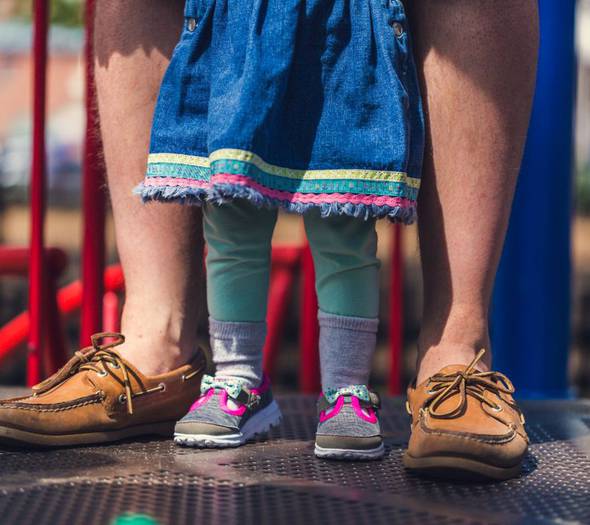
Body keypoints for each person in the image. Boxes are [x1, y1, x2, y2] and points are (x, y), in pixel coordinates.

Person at [0, 0, 538, 480]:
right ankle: (204, 368)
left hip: (344, 38)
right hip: (238, 37)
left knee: (341, 219)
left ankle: (427, 365)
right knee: (233, 217)